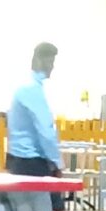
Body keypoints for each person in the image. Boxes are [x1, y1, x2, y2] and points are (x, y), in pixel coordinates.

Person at [6, 42, 64, 178]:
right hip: (31, 162)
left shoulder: (24, 86)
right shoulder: (33, 89)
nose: (52, 67)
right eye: (50, 62)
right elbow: (45, 130)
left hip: (17, 158)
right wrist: (57, 162)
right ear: (38, 60)